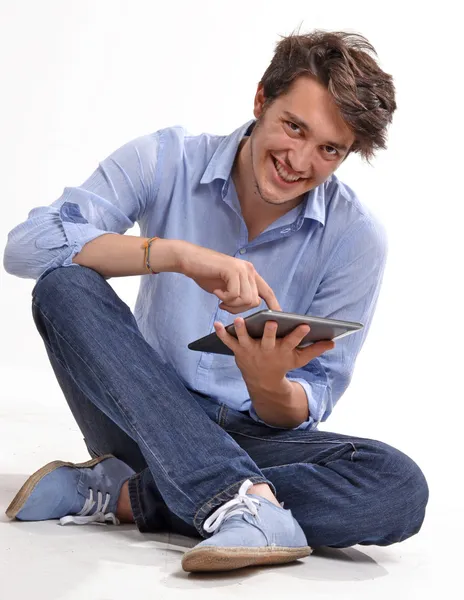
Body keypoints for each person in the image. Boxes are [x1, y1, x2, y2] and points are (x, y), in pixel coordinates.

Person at [3, 29, 429, 573]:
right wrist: (178, 255)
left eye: (329, 149)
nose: (299, 161)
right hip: (144, 414)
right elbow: (27, 248)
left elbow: (312, 399)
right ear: (260, 101)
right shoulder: (167, 158)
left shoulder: (356, 235)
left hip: (257, 437)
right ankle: (243, 504)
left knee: (397, 487)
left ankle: (130, 497)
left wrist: (267, 382)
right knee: (64, 285)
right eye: (293, 127)